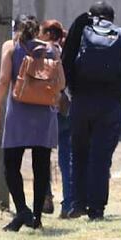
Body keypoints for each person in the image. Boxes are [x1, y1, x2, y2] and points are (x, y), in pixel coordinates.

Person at [61, 2, 121, 221]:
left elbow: (66, 65)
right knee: (101, 156)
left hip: (81, 102)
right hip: (110, 105)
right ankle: (96, 209)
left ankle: (78, 203)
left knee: (78, 153)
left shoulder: (80, 33)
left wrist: (72, 96)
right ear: (112, 18)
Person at [0, 15, 61, 232]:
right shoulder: (51, 49)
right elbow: (61, 82)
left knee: (11, 165)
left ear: (16, 29)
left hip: (18, 113)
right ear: (37, 29)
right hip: (44, 114)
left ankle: (22, 211)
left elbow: (4, 81)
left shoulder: (10, 47)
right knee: (41, 167)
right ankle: (37, 217)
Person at [40, 20, 73, 217]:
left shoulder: (44, 51)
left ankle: (45, 198)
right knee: (66, 158)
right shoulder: (68, 50)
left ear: (48, 34)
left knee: (43, 156)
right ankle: (69, 203)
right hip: (65, 108)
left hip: (46, 109)